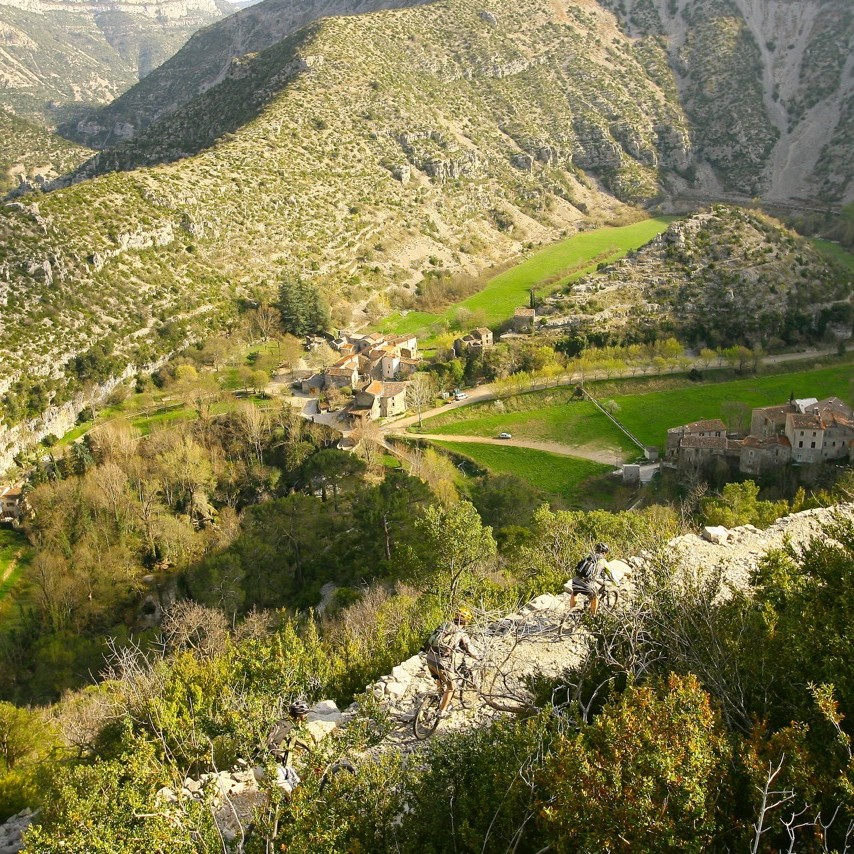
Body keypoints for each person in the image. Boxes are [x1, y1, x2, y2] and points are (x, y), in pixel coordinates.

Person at [424, 606, 480, 714]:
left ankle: (439, 695)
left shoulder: (444, 625)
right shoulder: (460, 633)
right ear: (466, 622)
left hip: (429, 658)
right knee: (451, 686)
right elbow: (469, 649)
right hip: (441, 662)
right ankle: (442, 711)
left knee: (438, 677)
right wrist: (478, 657)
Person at [266, 700, 313, 792]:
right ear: (301, 715)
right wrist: (277, 756)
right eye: (306, 714)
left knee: (297, 787)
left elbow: (295, 740)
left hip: (280, 765)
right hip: (274, 766)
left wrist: (310, 750)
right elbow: (272, 743)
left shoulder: (287, 723)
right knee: (291, 793)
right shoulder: (286, 726)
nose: (307, 716)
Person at [569, 542, 614, 615]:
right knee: (595, 596)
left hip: (576, 581)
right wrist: (616, 583)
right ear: (604, 553)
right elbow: (611, 576)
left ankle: (571, 611)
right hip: (587, 585)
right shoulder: (603, 561)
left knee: (575, 592)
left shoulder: (588, 556)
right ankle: (593, 615)